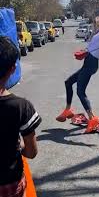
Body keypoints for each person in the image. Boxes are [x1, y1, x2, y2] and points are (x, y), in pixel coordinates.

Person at [0, 36, 41, 197]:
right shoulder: (21, 107)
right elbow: (31, 152)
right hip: (9, 184)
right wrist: (20, 146)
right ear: (12, 69)